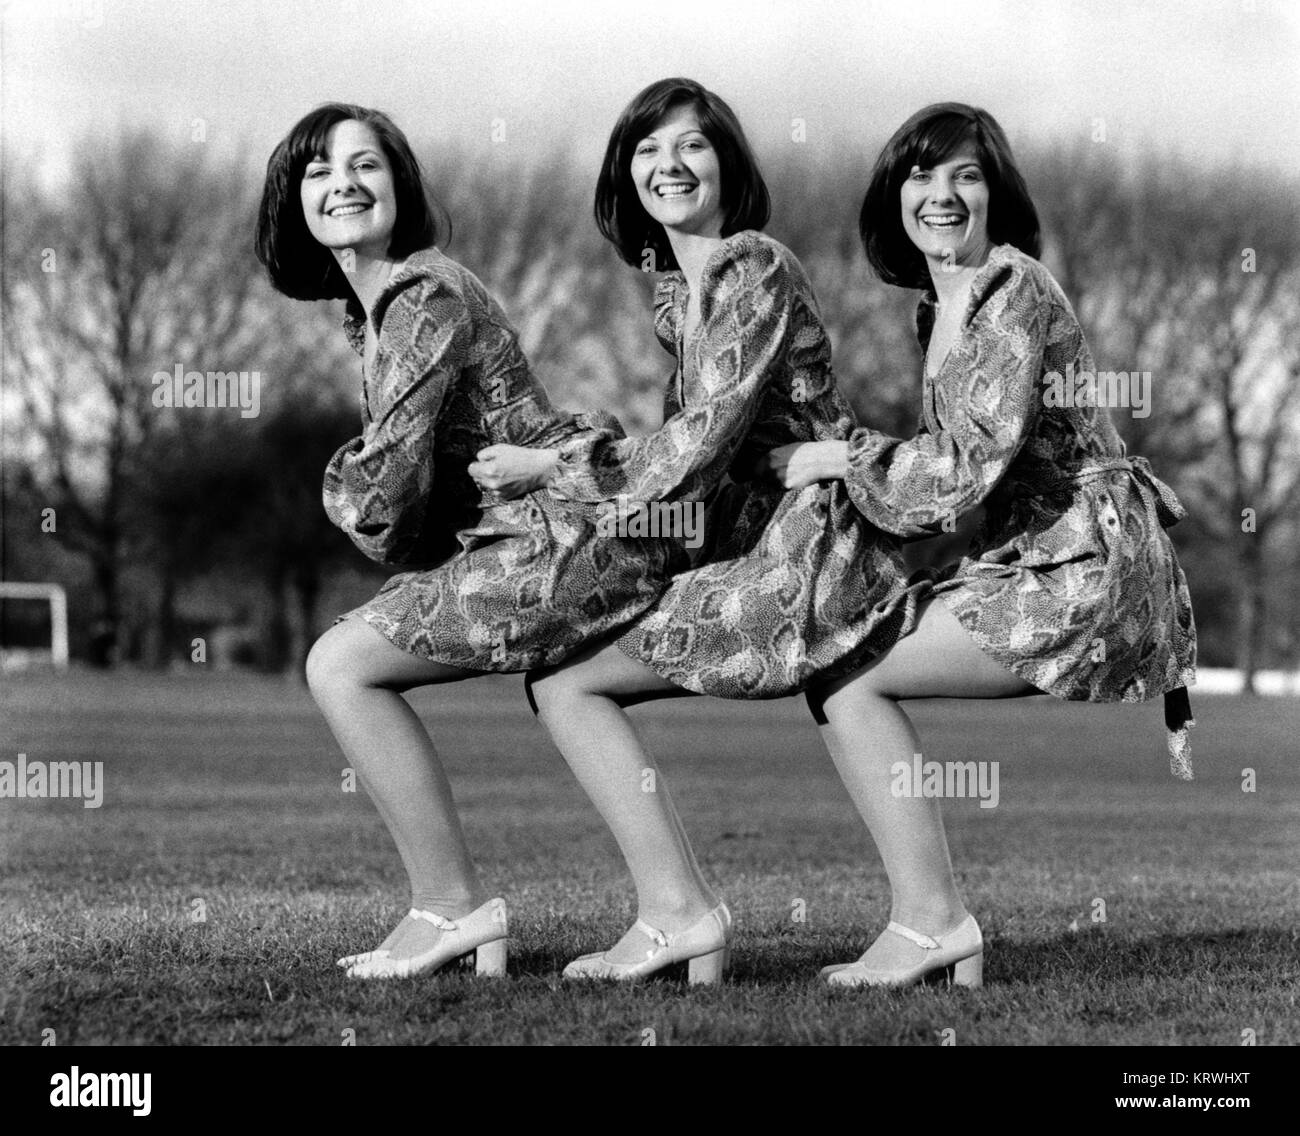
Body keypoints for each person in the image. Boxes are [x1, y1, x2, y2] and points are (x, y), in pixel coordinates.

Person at [474, 78, 922, 984]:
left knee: (568, 681)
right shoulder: (684, 293)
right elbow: (691, 454)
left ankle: (680, 915)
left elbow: (696, 447)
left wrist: (554, 470)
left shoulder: (747, 264)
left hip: (810, 549)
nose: (668, 165)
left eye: (691, 146)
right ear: (623, 174)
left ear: (728, 164)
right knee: (845, 696)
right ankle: (932, 922)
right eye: (647, 150)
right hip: (772, 541)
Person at [757, 102, 1197, 987]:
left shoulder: (1011, 290)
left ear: (997, 195)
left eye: (966, 174)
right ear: (896, 195)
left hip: (1086, 561)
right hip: (1032, 554)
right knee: (840, 671)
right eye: (922, 174)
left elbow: (959, 471)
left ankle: (931, 924)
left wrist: (829, 458)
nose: (943, 193)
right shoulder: (940, 307)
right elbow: (957, 483)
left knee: (852, 671)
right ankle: (931, 922)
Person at [254, 103, 683, 979]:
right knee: (571, 687)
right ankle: (681, 913)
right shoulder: (374, 310)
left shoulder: (421, 294)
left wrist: (346, 490)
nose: (343, 184)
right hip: (558, 534)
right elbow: (410, 498)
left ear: (400, 185)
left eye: (365, 165)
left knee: (341, 665)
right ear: (292, 201)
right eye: (319, 171)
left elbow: (384, 493)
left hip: (556, 536)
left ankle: (450, 907)